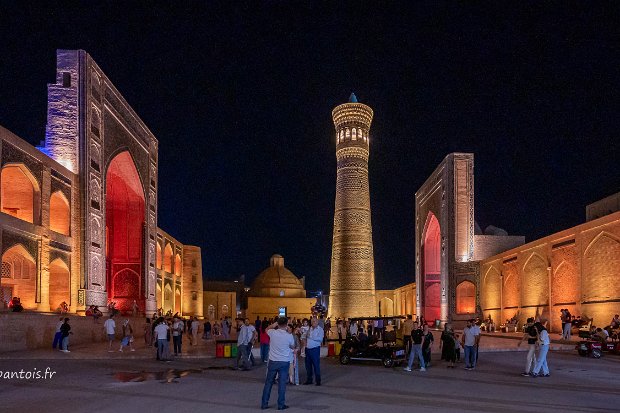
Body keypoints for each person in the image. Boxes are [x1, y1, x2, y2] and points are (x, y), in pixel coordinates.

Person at [261, 316, 295, 410]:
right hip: (284, 362)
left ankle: (264, 403)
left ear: (278, 324)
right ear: (287, 324)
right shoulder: (289, 336)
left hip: (273, 361)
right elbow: (292, 346)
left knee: (268, 383)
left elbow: (266, 329)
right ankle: (281, 404)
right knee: (282, 384)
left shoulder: (273, 333)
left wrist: (273, 325)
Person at [304, 317, 324, 385]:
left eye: (314, 321)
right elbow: (306, 337)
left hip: (315, 349)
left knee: (316, 365)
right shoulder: (309, 329)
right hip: (308, 349)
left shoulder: (320, 330)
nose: (313, 323)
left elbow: (320, 339)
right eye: (312, 321)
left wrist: (311, 337)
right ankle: (309, 380)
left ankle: (318, 381)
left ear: (317, 322)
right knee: (308, 366)